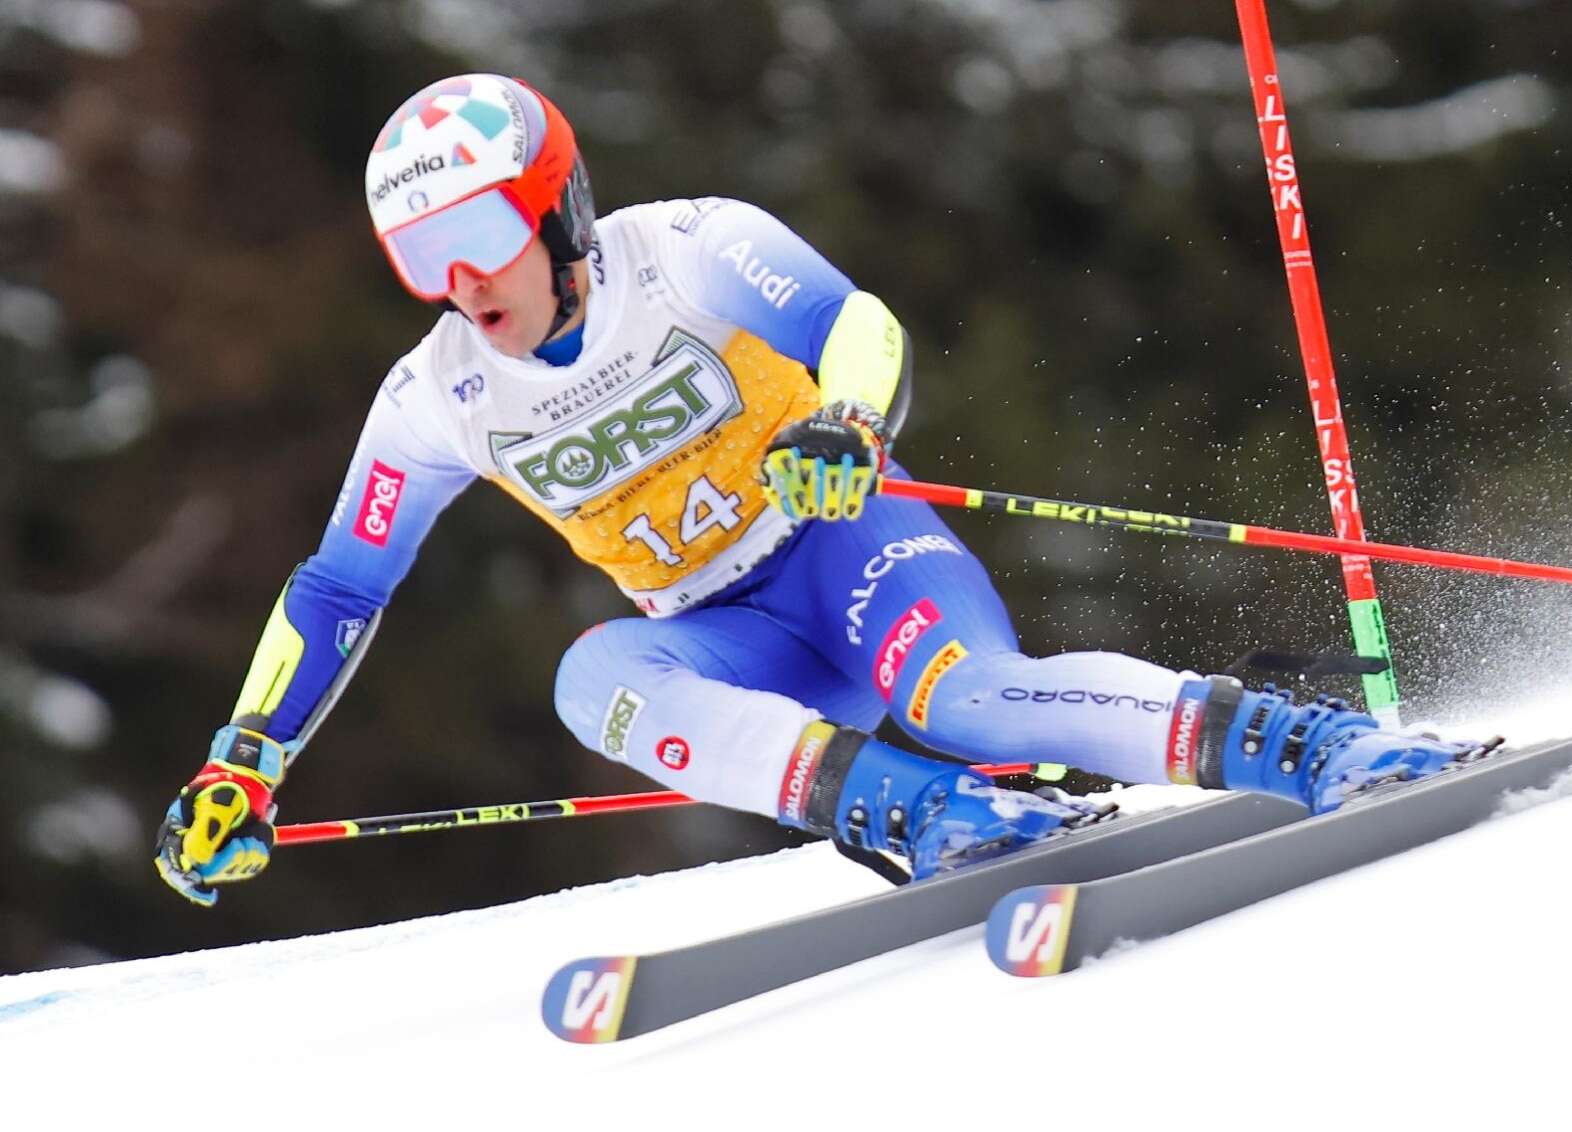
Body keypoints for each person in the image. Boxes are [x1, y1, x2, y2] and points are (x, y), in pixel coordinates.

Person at [154, 73, 1481, 906]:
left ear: (555, 211)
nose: (461, 282)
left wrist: (846, 422)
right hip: (738, 640)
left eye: (478, 237)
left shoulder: (688, 253)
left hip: (857, 556)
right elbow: (341, 582)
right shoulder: (436, 396)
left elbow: (861, 327)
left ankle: (1309, 746)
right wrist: (246, 756)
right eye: (420, 256)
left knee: (958, 693)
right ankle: (918, 806)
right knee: (592, 677)